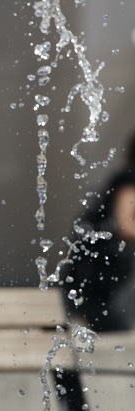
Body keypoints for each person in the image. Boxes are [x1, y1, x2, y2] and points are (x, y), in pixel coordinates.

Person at [60, 132, 135, 332]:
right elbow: (125, 225)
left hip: (100, 274)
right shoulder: (129, 182)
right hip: (95, 275)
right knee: (115, 328)